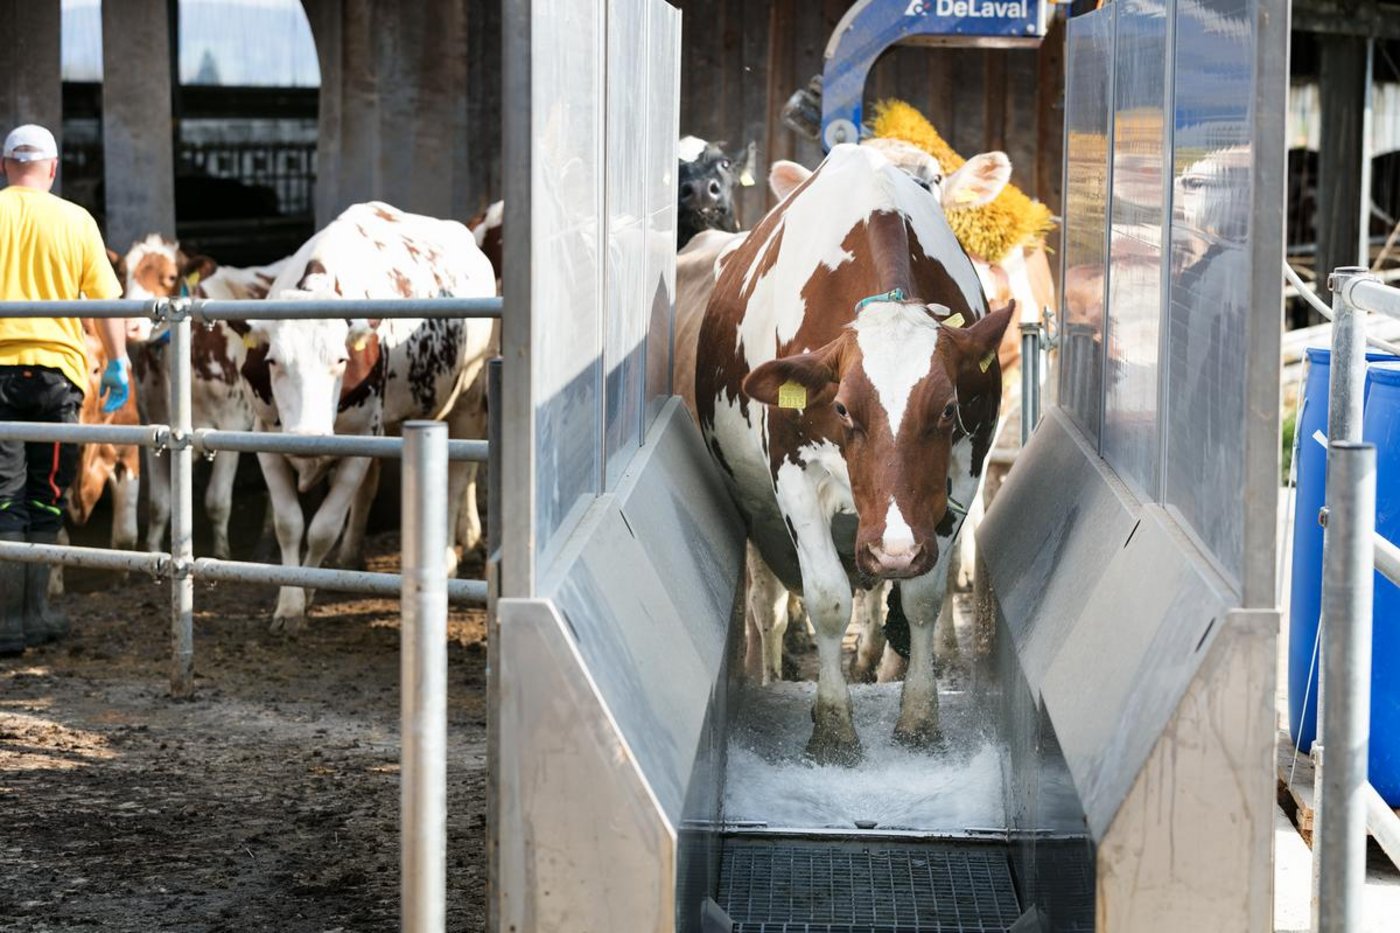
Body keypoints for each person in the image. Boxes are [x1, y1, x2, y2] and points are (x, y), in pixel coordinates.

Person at [0, 123, 129, 656]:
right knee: (46, 497)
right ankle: (36, 615)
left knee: (3, 497)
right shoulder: (77, 221)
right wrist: (119, 361)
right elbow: (105, 303)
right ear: (52, 169)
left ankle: (6, 625)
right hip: (58, 380)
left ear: (5, 165)